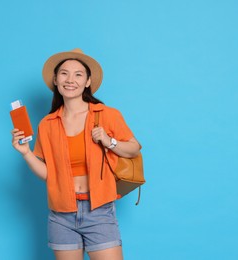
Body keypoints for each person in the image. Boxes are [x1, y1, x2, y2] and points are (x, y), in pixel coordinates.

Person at [11, 48, 141, 260]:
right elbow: (48, 175)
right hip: (61, 214)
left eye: (78, 74)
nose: (70, 79)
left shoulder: (106, 114)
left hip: (99, 210)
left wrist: (110, 142)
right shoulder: (48, 124)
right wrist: (26, 153)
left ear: (88, 82)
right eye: (64, 73)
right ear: (55, 79)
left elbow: (134, 148)